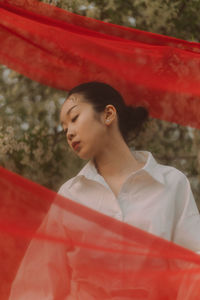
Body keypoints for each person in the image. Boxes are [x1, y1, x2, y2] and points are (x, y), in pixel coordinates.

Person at [9, 81, 200, 300]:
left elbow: (193, 266)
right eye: (64, 129)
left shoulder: (171, 183)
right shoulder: (71, 195)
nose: (69, 132)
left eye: (74, 118)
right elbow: (40, 280)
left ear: (108, 114)